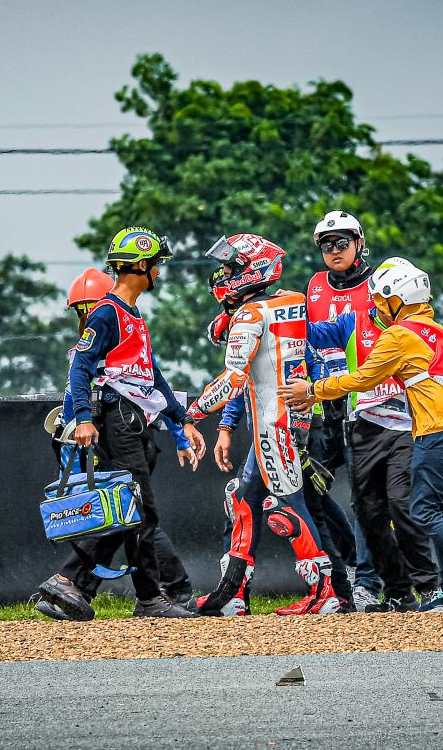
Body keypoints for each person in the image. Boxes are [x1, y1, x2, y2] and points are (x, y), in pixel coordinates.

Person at [284, 257, 443, 613]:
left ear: (397, 299)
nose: (376, 307)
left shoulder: (399, 335)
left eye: (381, 300)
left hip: (432, 431)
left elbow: (362, 379)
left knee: (422, 510)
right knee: (441, 510)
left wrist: (312, 390)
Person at [39, 228, 206, 620]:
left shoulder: (133, 315)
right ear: (142, 266)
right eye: (156, 265)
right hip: (117, 420)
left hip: (131, 420)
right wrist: (82, 418)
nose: (159, 272)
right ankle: (147, 598)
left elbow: (152, 378)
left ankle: (71, 583)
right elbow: (80, 366)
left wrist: (184, 419)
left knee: (129, 510)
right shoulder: (107, 312)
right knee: (141, 510)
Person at [187, 233, 342, 616]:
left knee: (286, 505)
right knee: (243, 499)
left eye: (230, 268)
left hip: (274, 424)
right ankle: (232, 594)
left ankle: (325, 593)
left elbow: (233, 380)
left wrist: (191, 414)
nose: (224, 275)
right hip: (293, 419)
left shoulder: (250, 315)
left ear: (251, 270)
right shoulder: (291, 301)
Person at [307, 212, 440, 612]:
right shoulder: (321, 292)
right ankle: (361, 572)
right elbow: (310, 333)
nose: (334, 250)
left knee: (388, 503)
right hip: (334, 410)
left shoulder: (386, 295)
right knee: (324, 495)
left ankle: (387, 582)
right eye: (327, 245)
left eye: (342, 243)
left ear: (359, 244)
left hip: (383, 412)